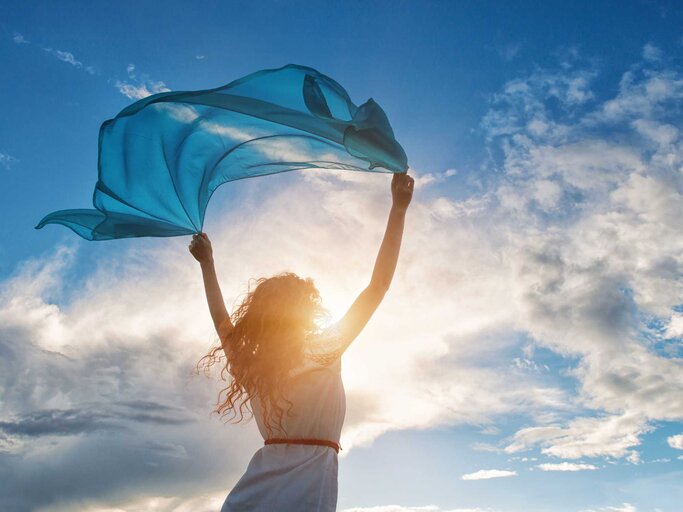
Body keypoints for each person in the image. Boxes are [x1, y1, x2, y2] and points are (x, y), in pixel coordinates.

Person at [189, 172, 414, 511]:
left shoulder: (257, 370)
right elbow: (377, 286)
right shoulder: (324, 349)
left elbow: (223, 325)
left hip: (252, 495)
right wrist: (398, 210)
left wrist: (208, 265)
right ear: (305, 311)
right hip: (307, 495)